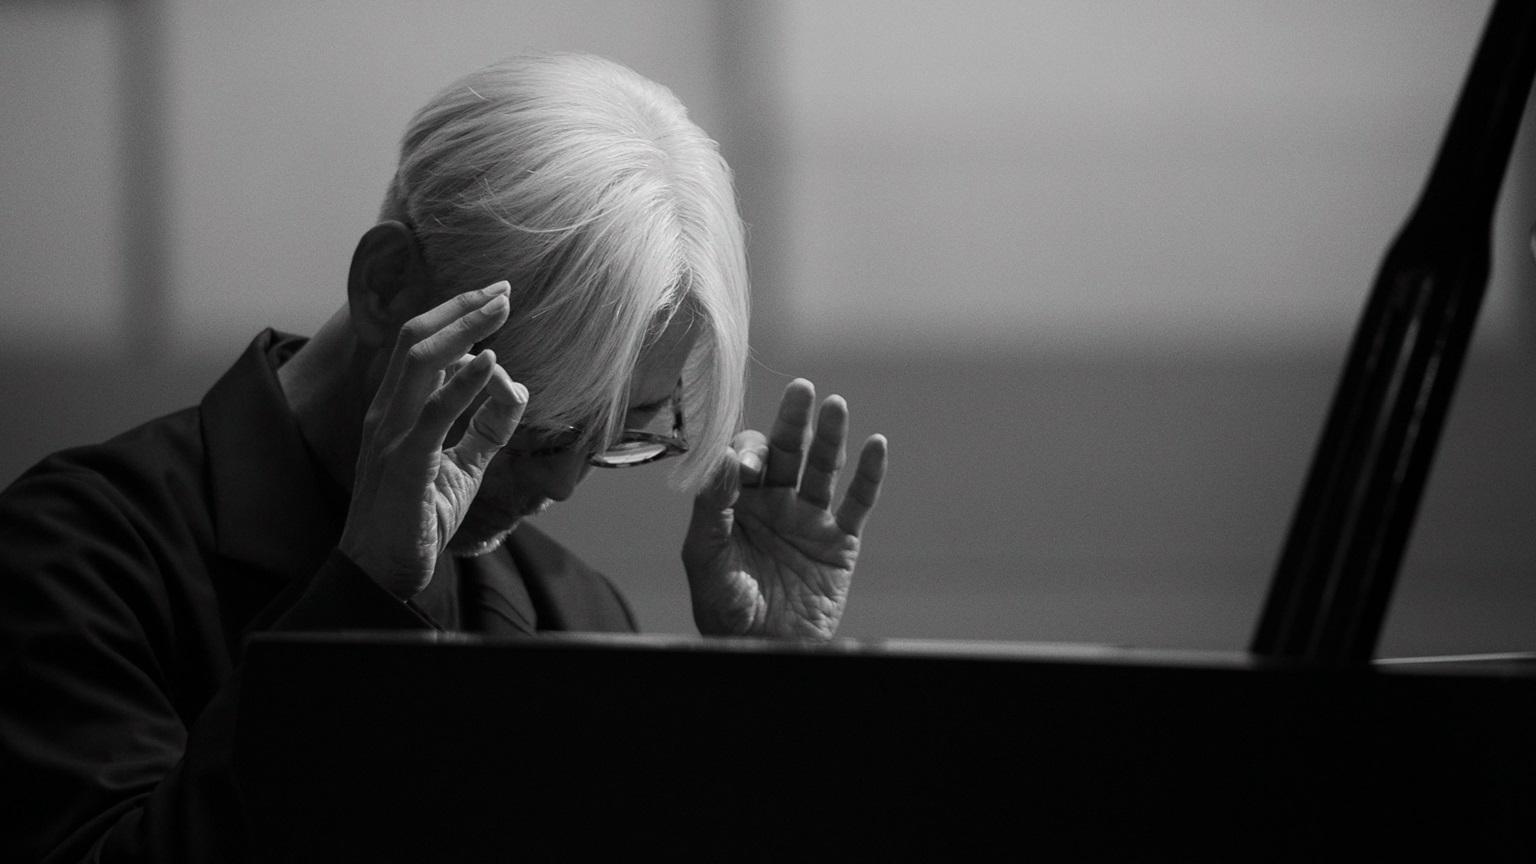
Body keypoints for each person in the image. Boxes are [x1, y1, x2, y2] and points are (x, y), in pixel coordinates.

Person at [0, 53, 887, 862]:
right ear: (388, 286)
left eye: (625, 436)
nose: (563, 485)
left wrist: (772, 705)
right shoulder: (79, 556)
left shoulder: (568, 612)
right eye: (533, 431)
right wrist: (364, 600)